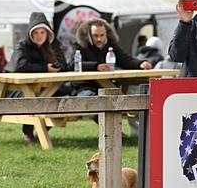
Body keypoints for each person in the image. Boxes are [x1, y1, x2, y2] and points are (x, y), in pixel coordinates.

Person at [10, 12, 70, 141]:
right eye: (36, 33)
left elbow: (65, 65)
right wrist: (45, 67)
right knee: (34, 98)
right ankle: (28, 130)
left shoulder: (53, 45)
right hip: (18, 89)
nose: (39, 36)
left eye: (42, 32)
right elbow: (19, 66)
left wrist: (56, 66)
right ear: (30, 34)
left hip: (46, 88)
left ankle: (41, 131)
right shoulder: (22, 46)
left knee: (63, 96)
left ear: (47, 33)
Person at [73, 17, 151, 97]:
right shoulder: (80, 46)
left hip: (107, 87)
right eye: (95, 36)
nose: (99, 39)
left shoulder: (111, 45)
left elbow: (124, 59)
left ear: (106, 34)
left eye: (102, 35)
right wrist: (96, 66)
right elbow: (71, 64)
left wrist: (140, 64)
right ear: (89, 35)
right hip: (85, 87)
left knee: (121, 100)